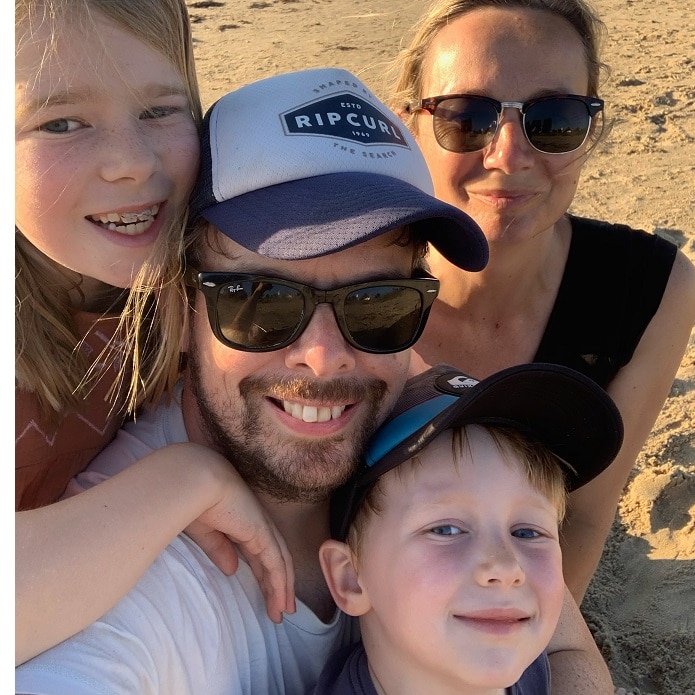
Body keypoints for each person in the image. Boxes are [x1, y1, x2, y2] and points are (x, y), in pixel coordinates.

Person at [15, 68, 613, 695]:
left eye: (378, 303)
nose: (325, 359)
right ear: (179, 304)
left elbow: (565, 641)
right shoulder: (139, 583)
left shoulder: (424, 428)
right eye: (261, 302)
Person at [387, 0, 695, 601]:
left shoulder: (650, 291)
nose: (508, 156)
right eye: (466, 117)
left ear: (589, 133)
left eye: (554, 120)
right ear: (408, 128)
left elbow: (581, 517)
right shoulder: (345, 281)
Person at [15, 0, 293, 665]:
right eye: (62, 122)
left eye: (159, 111)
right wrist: (181, 483)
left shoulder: (194, 282)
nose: (132, 163)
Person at [314, 362, 624, 694]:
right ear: (351, 579)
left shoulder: (529, 660)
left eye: (528, 532)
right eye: (446, 529)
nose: (506, 568)